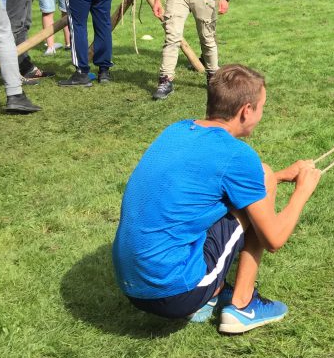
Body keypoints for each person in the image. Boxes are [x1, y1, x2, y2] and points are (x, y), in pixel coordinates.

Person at [112, 64, 322, 334]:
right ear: (246, 110)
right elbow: (274, 239)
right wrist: (302, 191)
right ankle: (243, 305)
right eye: (261, 107)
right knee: (262, 178)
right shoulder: (237, 155)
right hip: (171, 292)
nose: (261, 114)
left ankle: (211, 291)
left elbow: (204, 185)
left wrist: (279, 176)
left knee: (264, 177)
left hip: (130, 284)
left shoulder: (177, 130)